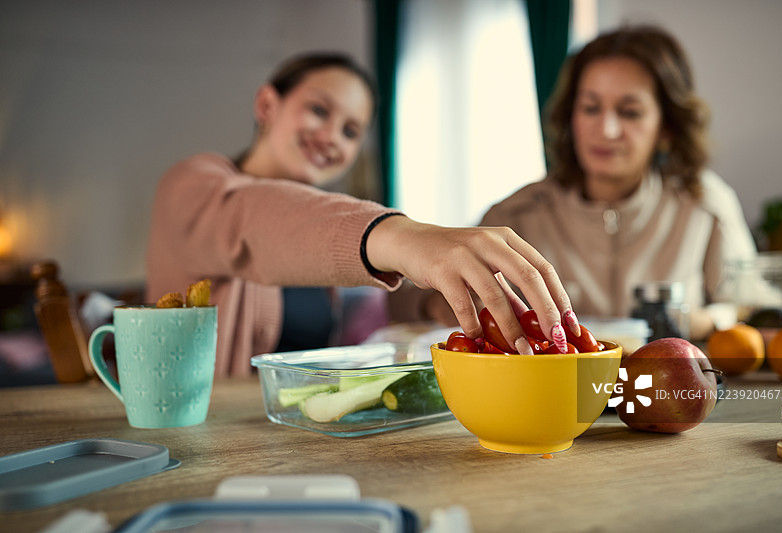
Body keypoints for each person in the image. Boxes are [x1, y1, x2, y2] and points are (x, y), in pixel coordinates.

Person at [146, 52, 579, 376]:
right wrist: (404, 237)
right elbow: (251, 220)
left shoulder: (318, 223)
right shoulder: (193, 184)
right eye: (319, 110)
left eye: (351, 130)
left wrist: (440, 304)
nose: (331, 136)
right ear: (266, 105)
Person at [389, 25, 756, 341]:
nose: (607, 130)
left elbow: (751, 307)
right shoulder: (516, 214)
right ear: (570, 117)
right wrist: (441, 303)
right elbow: (401, 298)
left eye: (629, 112)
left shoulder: (705, 205)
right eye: (591, 108)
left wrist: (704, 320)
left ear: (667, 127)